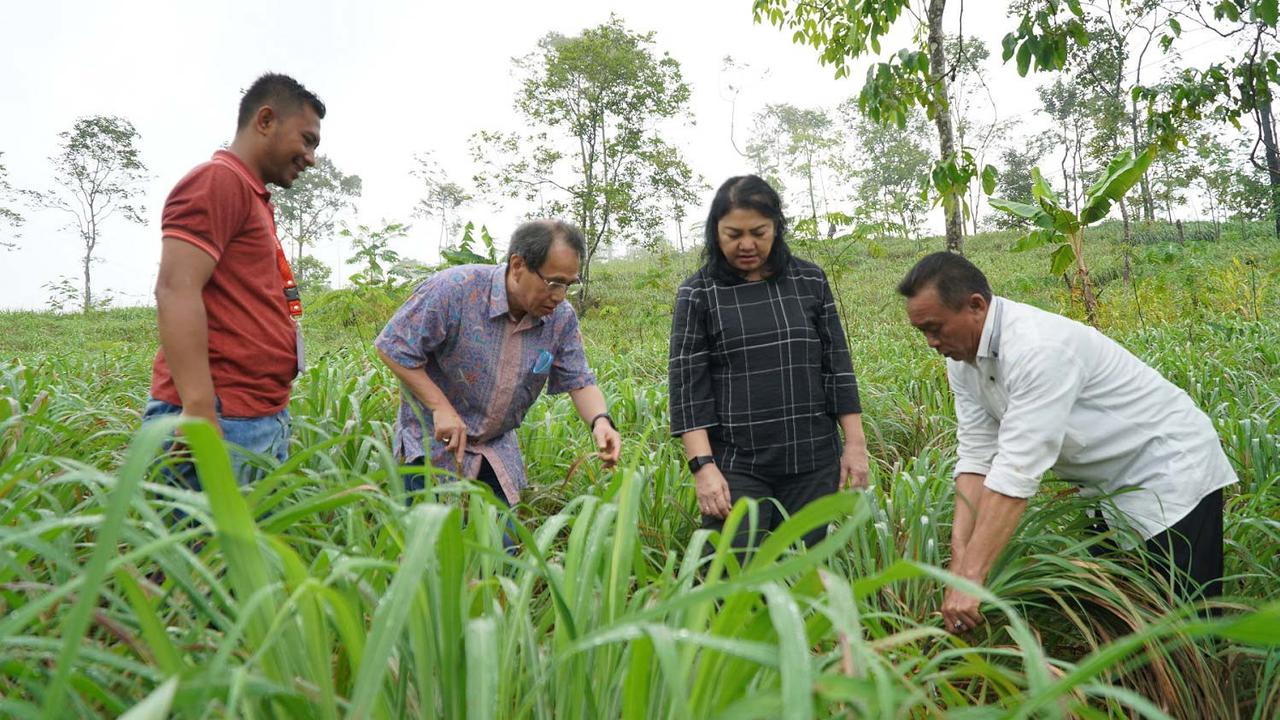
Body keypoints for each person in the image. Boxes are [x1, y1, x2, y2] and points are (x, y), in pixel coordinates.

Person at [898, 252, 1237, 634]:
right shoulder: (960, 359)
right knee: (1116, 611)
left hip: (1169, 471)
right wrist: (960, 559)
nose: (930, 342)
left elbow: (1016, 471)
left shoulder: (1037, 348)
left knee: (1183, 620)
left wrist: (973, 577)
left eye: (935, 327)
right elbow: (977, 455)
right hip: (1105, 487)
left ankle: (1199, 690)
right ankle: (1131, 689)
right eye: (922, 332)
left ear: (976, 305)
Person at [375, 219, 622, 532]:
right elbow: (393, 346)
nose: (560, 296)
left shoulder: (561, 319)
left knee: (501, 556)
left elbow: (579, 379)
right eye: (553, 283)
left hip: (494, 450)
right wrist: (440, 407)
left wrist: (601, 421)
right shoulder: (454, 290)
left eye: (568, 285)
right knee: (429, 553)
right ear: (518, 265)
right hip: (432, 448)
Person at [668, 175, 870, 556]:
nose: (747, 244)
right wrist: (703, 468)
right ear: (715, 233)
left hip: (812, 460)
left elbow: (836, 367)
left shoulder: (809, 280)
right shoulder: (698, 293)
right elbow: (687, 389)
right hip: (736, 465)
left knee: (804, 574)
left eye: (759, 232)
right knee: (729, 576)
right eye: (733, 234)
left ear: (777, 226)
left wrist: (855, 446)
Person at [144, 73, 324, 487]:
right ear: (265, 120)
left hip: (252, 416)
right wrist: (198, 408)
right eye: (307, 140)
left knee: (239, 551)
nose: (311, 157)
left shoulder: (251, 195)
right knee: (204, 551)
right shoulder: (217, 181)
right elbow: (175, 289)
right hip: (219, 421)